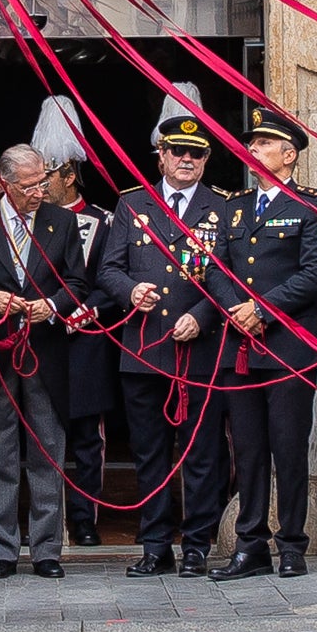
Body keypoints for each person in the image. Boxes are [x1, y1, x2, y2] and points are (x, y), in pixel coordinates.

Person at [99, 111, 239, 577]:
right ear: (160, 155)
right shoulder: (132, 204)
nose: (186, 159)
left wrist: (201, 318)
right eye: (177, 151)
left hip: (199, 349)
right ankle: (156, 543)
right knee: (149, 453)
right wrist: (129, 291)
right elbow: (108, 269)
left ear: (206, 160)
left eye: (196, 153)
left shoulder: (223, 208)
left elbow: (234, 278)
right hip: (143, 349)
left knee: (201, 453)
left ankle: (197, 543)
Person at [214, 110, 317, 580]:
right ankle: (250, 545)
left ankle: (292, 544)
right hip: (239, 349)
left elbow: (315, 274)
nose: (253, 149)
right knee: (246, 451)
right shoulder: (234, 206)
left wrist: (261, 310)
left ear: (288, 155)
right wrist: (235, 309)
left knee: (288, 448)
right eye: (252, 143)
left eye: (264, 143)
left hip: (289, 347)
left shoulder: (313, 205)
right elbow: (216, 266)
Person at [0, 142, 83, 579]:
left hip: (45, 353)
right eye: (30, 185)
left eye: (43, 181)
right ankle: (1, 549)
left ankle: (48, 548)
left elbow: (77, 282)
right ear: (6, 185)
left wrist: (52, 304)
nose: (40, 191)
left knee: (48, 447)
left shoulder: (62, 222)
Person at [49, 156, 125, 549]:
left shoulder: (105, 220)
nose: (42, 183)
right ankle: (46, 522)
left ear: (70, 177)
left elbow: (114, 275)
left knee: (87, 440)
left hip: (87, 341)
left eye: (50, 175)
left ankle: (84, 518)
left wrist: (90, 309)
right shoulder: (35, 220)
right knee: (44, 434)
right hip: (44, 339)